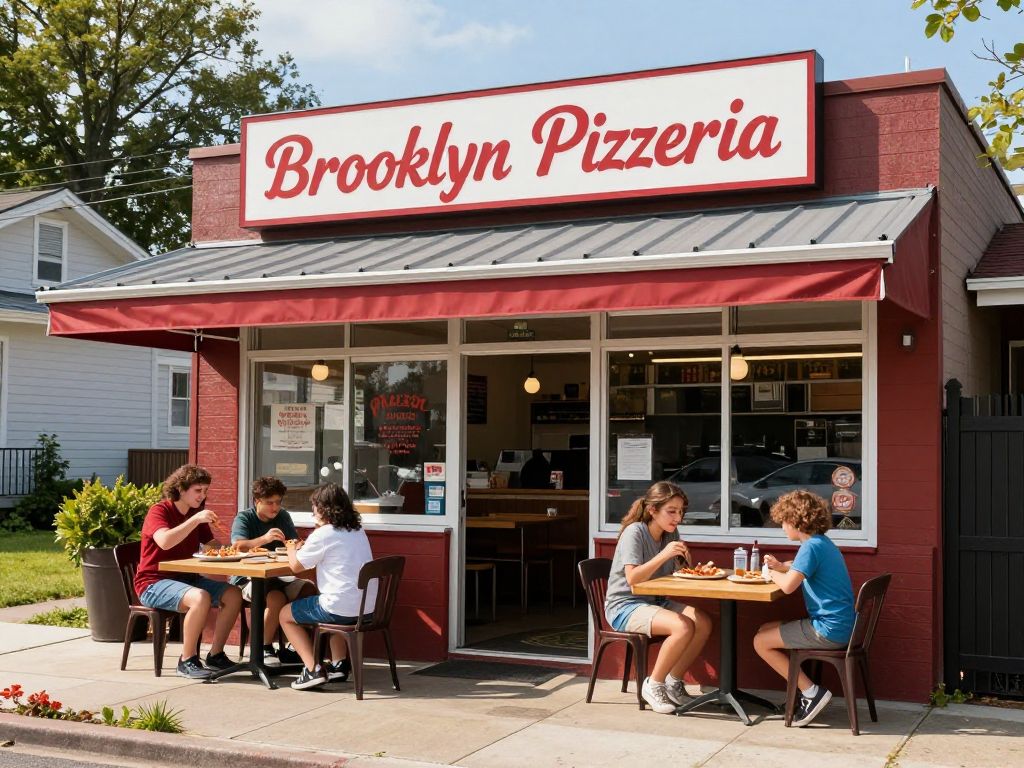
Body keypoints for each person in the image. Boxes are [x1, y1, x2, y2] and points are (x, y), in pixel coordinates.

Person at [604, 481, 712, 714]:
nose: (678, 518)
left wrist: (689, 565)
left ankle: (673, 682)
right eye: (671, 511)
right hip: (625, 606)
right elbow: (633, 578)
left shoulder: (670, 533)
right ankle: (654, 684)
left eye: (681, 511)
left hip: (655, 601)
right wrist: (664, 555)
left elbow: (675, 573)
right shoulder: (635, 532)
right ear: (653, 510)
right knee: (682, 626)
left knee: (703, 622)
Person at [753, 489, 855, 727]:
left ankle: (811, 693)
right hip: (841, 625)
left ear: (795, 521)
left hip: (828, 630)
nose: (782, 528)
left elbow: (788, 586)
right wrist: (781, 566)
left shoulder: (810, 547)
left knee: (760, 642)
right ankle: (799, 694)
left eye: (783, 522)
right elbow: (798, 566)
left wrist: (769, 573)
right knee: (765, 629)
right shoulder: (821, 543)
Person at [134, 464, 243, 679]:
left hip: (186, 579)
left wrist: (230, 549)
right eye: (198, 490)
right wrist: (195, 520)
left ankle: (216, 654)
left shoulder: (194, 513)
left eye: (205, 491)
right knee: (200, 597)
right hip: (153, 583)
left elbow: (211, 545)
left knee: (233, 594)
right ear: (181, 489)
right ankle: (187, 660)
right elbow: (164, 541)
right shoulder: (160, 511)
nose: (203, 496)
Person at [278, 483, 375, 690]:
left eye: (314, 506)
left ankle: (313, 669)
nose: (313, 511)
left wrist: (291, 548)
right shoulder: (358, 530)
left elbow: (296, 566)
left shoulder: (324, 534)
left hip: (340, 608)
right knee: (332, 602)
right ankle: (338, 664)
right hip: (365, 609)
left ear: (323, 508)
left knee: (285, 615)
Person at [230, 476, 317, 667]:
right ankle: (263, 647)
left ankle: (295, 646)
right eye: (270, 503)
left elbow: (292, 542)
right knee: (276, 597)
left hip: (279, 576)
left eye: (278, 502)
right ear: (257, 501)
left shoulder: (283, 516)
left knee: (309, 589)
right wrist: (264, 539)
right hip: (248, 578)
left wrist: (299, 545)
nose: (275, 507)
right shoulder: (244, 518)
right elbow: (237, 546)